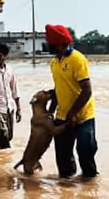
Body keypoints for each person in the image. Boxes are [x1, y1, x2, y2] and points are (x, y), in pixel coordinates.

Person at [42, 24, 98, 178]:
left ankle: (90, 190)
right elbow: (59, 88)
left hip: (83, 116)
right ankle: (65, 193)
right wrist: (50, 111)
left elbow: (87, 90)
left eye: (49, 43)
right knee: (63, 159)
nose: (47, 45)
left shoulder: (77, 59)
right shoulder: (54, 63)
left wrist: (72, 113)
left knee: (86, 153)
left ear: (59, 44)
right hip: (62, 116)